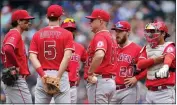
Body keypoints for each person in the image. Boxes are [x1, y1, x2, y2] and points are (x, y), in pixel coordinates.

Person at [29, 5, 74, 103]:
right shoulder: (67, 34)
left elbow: (32, 56)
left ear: (46, 16)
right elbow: (67, 57)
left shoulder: (37, 34)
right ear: (60, 17)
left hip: (43, 75)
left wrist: (43, 75)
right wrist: (58, 77)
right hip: (60, 75)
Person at [125, 21, 175, 103]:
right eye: (150, 31)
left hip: (164, 92)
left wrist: (165, 66)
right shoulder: (146, 48)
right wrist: (155, 60)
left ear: (163, 34)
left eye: (154, 31)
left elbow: (168, 57)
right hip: (149, 92)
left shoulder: (169, 46)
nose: (151, 34)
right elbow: (140, 64)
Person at [84, 9, 118, 104]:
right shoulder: (111, 37)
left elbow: (99, 55)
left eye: (92, 20)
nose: (90, 22)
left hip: (99, 82)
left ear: (100, 21)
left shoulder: (100, 36)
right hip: (110, 81)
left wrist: (90, 73)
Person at [1, 9, 34, 103]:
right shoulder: (15, 33)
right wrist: (15, 66)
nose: (29, 22)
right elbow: (7, 49)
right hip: (16, 79)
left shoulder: (12, 34)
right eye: (26, 20)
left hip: (11, 77)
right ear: (19, 21)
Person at [109, 21, 142, 104]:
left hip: (129, 90)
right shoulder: (112, 48)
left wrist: (136, 78)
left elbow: (147, 68)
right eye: (116, 31)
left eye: (120, 31)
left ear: (128, 32)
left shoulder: (137, 49)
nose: (117, 34)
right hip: (112, 90)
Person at [61, 18, 87, 103]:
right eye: (67, 29)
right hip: (59, 85)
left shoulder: (80, 47)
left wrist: (84, 73)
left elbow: (87, 62)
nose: (70, 32)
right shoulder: (56, 46)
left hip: (73, 87)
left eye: (72, 30)